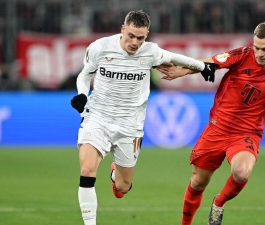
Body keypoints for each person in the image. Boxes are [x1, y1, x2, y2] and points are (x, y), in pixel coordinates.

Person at [157, 22, 265, 225]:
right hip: (217, 128)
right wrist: (182, 71)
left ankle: (219, 203)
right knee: (198, 182)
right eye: (257, 47)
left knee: (241, 173)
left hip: (246, 134)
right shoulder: (241, 55)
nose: (259, 53)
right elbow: (210, 63)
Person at [70, 10, 217, 225]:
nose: (135, 42)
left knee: (123, 187)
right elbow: (85, 74)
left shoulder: (150, 52)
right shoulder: (100, 47)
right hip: (97, 117)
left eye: (140, 38)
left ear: (146, 35)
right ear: (123, 29)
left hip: (130, 125)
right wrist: (82, 94)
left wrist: (202, 66)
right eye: (131, 36)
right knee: (87, 170)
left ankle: (116, 175)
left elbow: (175, 57)